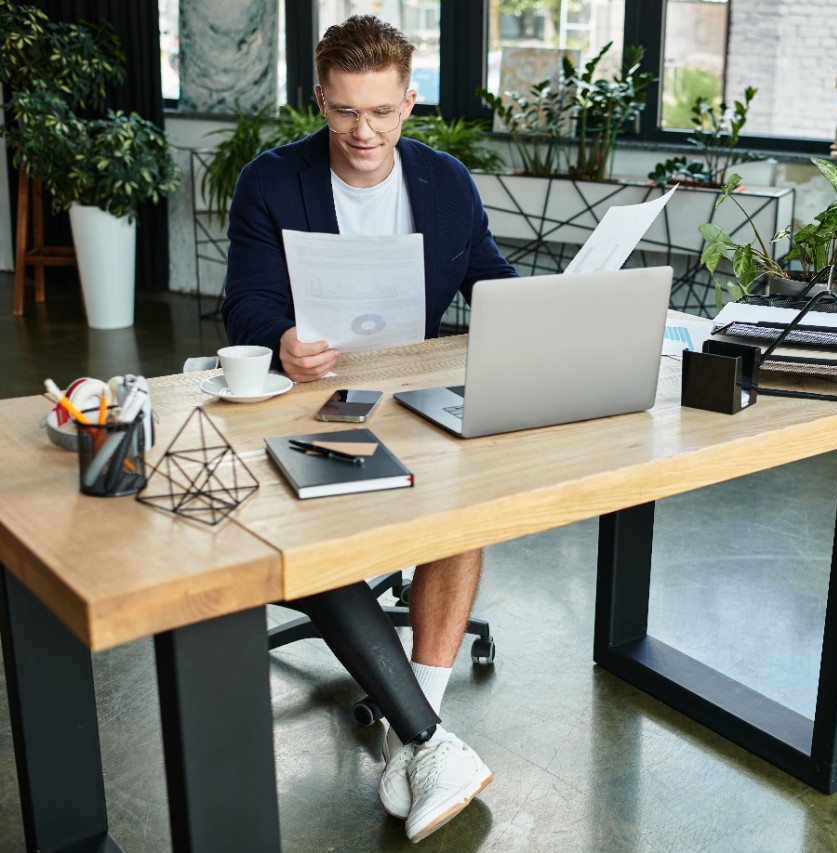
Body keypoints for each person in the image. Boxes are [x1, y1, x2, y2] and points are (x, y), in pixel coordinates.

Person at [221, 15, 517, 843]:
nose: (363, 132)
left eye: (382, 112)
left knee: (471, 498)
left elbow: (491, 283)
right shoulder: (272, 182)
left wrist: (537, 310)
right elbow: (242, 301)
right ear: (319, 98)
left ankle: (414, 731)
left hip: (414, 392)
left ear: (409, 101)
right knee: (309, 525)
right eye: (346, 111)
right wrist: (278, 336)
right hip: (315, 397)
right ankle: (428, 740)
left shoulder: (446, 182)